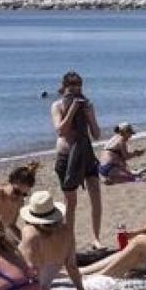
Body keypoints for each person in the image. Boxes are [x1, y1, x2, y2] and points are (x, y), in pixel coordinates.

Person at [51, 71, 103, 248]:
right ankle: (69, 241)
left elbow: (96, 135)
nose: (75, 93)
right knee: (71, 202)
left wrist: (89, 116)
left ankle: (96, 238)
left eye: (78, 89)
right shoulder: (57, 106)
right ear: (64, 89)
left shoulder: (87, 105)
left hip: (86, 153)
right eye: (71, 89)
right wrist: (72, 110)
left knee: (96, 195)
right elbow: (60, 131)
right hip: (66, 157)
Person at [19, 191, 85, 290]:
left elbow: (31, 269)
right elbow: (71, 266)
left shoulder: (30, 234)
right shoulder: (67, 232)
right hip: (45, 288)